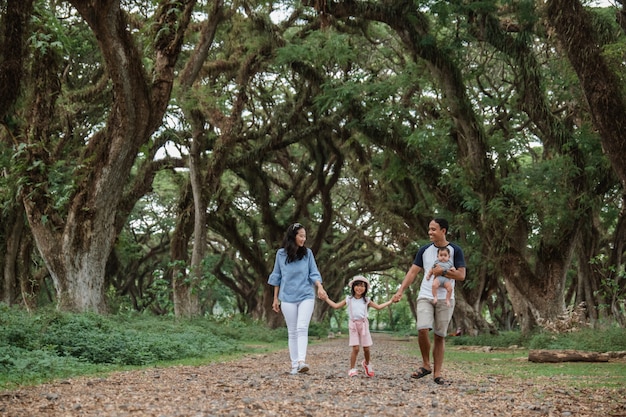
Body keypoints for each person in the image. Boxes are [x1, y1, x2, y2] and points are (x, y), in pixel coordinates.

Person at [392, 218, 466, 385]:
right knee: (422, 328)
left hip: (445, 298)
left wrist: (443, 272)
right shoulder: (424, 250)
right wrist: (400, 291)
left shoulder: (456, 250)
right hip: (426, 294)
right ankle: (426, 365)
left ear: (443, 231)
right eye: (429, 229)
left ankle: (437, 374)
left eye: (433, 229)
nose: (430, 232)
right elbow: (412, 272)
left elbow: (461, 275)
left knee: (440, 335)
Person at [268, 222, 328, 375]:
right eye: (301, 236)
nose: (303, 239)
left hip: (306, 295)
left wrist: (320, 287)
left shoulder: (307, 253)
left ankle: (301, 361)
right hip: (287, 297)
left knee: (302, 328)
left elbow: (314, 272)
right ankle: (295, 365)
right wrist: (275, 298)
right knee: (292, 331)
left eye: (305, 236)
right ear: (293, 236)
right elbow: (277, 277)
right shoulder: (281, 254)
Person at [320, 275, 393, 377]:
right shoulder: (349, 299)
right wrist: (326, 298)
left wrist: (391, 301)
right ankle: (352, 368)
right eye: (357, 285)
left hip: (364, 325)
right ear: (353, 287)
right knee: (356, 348)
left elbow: (379, 307)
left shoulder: (366, 300)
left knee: (366, 348)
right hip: (353, 325)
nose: (360, 288)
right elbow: (336, 306)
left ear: (365, 288)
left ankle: (367, 364)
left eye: (362, 286)